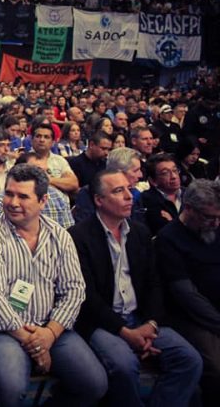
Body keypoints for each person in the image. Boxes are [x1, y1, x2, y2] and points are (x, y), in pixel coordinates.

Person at [0, 164, 108, 407]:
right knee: (11, 387)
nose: (13, 202)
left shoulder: (60, 236)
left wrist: (50, 333)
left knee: (94, 384)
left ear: (43, 201)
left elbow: (74, 290)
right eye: (9, 194)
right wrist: (35, 344)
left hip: (48, 325)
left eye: (23, 196)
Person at [70, 169, 202, 406]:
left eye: (128, 189)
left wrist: (150, 324)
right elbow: (86, 297)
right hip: (102, 323)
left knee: (189, 359)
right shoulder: (78, 237)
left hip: (140, 320)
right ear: (99, 200)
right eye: (118, 191)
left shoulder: (139, 232)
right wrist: (126, 333)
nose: (129, 196)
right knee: (124, 365)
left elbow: (154, 283)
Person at [157, 179, 220, 405]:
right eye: (209, 217)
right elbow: (186, 295)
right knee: (216, 367)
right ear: (189, 209)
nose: (215, 223)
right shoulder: (169, 239)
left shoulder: (215, 227)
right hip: (190, 317)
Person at [0, 152, 75, 230]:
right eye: (37, 171)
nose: (45, 177)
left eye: (47, 172)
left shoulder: (58, 197)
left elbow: (68, 232)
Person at [29, 122, 79, 194]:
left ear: (52, 143)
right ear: (32, 140)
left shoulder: (60, 160)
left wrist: (48, 179)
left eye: (46, 137)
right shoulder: (24, 159)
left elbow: (73, 183)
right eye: (38, 136)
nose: (42, 140)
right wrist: (59, 182)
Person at [141, 153, 182, 235]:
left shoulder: (189, 195)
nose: (174, 176)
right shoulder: (148, 200)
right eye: (165, 173)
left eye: (175, 170)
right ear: (153, 181)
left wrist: (172, 221)